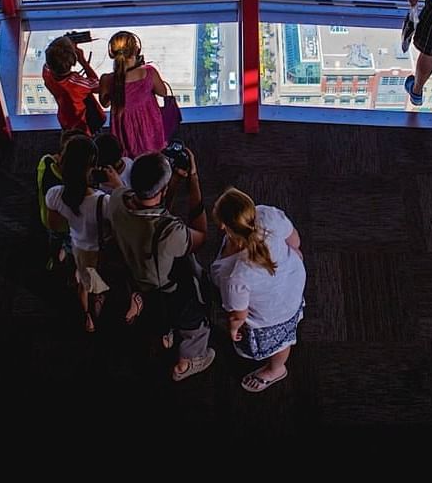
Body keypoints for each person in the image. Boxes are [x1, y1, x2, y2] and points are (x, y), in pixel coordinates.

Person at [107, 148, 214, 382]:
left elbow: (154, 211)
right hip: (169, 289)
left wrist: (173, 181)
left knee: (157, 318)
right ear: (162, 190)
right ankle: (188, 361)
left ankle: (164, 335)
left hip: (136, 277)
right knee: (195, 324)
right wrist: (193, 180)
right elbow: (201, 235)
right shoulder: (170, 233)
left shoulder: (116, 199)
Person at [211, 188, 306, 393]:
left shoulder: (234, 276)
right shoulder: (268, 214)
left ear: (223, 226)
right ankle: (277, 365)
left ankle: (277, 369)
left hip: (271, 315)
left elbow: (239, 314)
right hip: (292, 287)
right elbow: (295, 242)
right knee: (286, 334)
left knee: (281, 343)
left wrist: (234, 329)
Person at [45, 135, 119, 333]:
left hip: (78, 247)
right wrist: (118, 185)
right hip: (99, 251)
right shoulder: (103, 201)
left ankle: (87, 317)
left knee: (84, 283)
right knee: (99, 283)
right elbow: (124, 218)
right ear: (92, 167)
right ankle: (97, 306)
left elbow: (54, 224)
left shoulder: (54, 194)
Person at [99, 31, 167, 158]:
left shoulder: (106, 79)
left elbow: (104, 103)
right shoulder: (148, 72)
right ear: (136, 49)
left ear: (112, 53)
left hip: (123, 135)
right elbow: (163, 92)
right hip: (149, 132)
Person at [36, 128, 86, 270]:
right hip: (69, 226)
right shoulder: (76, 183)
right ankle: (69, 266)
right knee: (70, 246)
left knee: (54, 241)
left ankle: (54, 260)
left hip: (47, 219)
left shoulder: (45, 162)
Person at [42, 36, 104, 135]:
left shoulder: (47, 74)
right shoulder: (76, 84)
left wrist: (64, 47)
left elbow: (51, 60)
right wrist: (83, 62)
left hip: (66, 120)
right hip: (83, 126)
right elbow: (97, 85)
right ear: (74, 59)